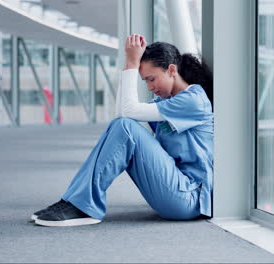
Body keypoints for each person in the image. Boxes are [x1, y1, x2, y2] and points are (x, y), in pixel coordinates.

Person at [32, 34, 213, 227]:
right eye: (145, 81)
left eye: (152, 79)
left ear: (171, 70)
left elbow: (127, 114)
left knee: (126, 128)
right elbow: (122, 115)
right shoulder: (167, 103)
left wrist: (133, 63)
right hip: (175, 192)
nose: (150, 87)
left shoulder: (194, 100)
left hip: (190, 197)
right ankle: (74, 201)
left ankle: (81, 205)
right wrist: (129, 64)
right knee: (122, 125)